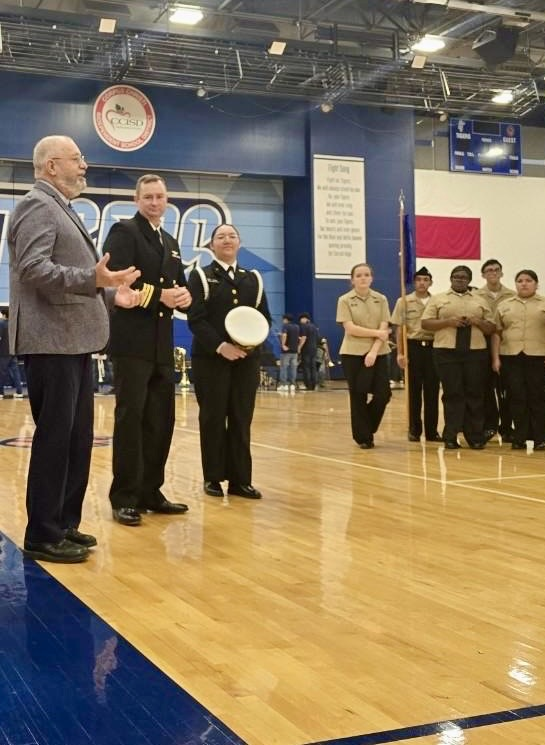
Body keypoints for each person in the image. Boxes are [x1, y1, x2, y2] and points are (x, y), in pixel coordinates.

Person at [8, 135, 141, 563]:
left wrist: (108, 294)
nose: (84, 166)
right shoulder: (36, 205)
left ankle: (65, 523)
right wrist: (94, 281)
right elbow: (33, 270)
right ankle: (42, 533)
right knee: (55, 439)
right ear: (51, 166)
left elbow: (79, 278)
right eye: (77, 159)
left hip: (73, 340)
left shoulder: (59, 207)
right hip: (51, 340)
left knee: (77, 438)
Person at [103, 174, 192, 526]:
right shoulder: (125, 231)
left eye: (160, 197)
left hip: (161, 345)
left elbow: (179, 284)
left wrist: (185, 296)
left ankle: (151, 491)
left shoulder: (170, 241)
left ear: (167, 200)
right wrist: (160, 295)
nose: (155, 202)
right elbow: (117, 277)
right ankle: (124, 496)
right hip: (132, 342)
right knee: (131, 419)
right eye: (148, 197)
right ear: (137, 199)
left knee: (161, 421)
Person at [187, 223, 271, 499]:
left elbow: (264, 320)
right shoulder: (200, 276)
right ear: (212, 245)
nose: (227, 240)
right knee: (212, 418)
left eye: (232, 236)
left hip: (246, 360)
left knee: (241, 418)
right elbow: (196, 319)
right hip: (211, 360)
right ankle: (212, 478)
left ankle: (240, 481)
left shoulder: (254, 278)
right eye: (220, 236)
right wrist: (221, 346)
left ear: (239, 243)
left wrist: (248, 344)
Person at [421, 265, 495, 449]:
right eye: (455, 276)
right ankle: (451, 436)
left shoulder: (481, 300)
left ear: (469, 280)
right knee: (453, 394)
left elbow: (492, 327)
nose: (459, 280)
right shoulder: (438, 299)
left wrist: (477, 321)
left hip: (475, 352)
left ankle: (475, 437)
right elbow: (425, 323)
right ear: (450, 278)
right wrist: (447, 322)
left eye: (463, 277)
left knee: (474, 394)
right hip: (446, 352)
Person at [336, 262, 391, 449]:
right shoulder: (344, 300)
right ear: (352, 280)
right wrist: (376, 334)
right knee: (358, 395)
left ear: (371, 278)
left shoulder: (381, 299)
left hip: (379, 353)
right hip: (353, 353)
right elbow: (350, 328)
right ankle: (363, 437)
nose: (363, 278)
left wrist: (374, 351)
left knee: (383, 394)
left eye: (366, 274)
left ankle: (366, 426)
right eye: (358, 275)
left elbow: (384, 326)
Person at [491, 270, 545, 451]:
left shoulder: (543, 304)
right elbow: (497, 334)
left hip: (538, 357)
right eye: (520, 280)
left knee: (537, 398)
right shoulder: (505, 305)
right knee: (516, 397)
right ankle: (519, 436)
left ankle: (540, 438)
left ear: (536, 284)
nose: (524, 284)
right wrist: (496, 358)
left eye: (528, 280)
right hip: (511, 357)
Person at [391, 267, 441, 442]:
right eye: (419, 279)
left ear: (431, 282)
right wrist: (400, 353)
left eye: (425, 279)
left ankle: (432, 431)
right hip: (413, 347)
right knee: (413, 392)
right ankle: (414, 429)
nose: (422, 282)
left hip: (433, 348)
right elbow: (399, 329)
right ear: (414, 282)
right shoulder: (404, 301)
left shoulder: (438, 301)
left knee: (432, 391)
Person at [476, 259, 516, 442]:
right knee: (485, 388)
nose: (493, 273)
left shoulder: (512, 295)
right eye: (489, 270)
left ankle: (507, 426)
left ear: (501, 273)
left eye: (496, 270)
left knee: (507, 388)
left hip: (507, 344)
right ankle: (490, 425)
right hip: (482, 345)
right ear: (483, 275)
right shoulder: (476, 295)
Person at [0, 310, 24, 398]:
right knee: (16, 372)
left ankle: (0, 392)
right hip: (13, 351)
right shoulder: (14, 324)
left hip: (3, 352)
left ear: (4, 315)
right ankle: (19, 392)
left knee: (1, 373)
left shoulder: (1, 324)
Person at [277, 313, 300, 392]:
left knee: (284, 367)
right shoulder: (297, 327)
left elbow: (284, 335)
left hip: (286, 351)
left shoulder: (285, 326)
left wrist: (283, 344)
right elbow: (299, 338)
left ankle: (284, 385)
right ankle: (292, 384)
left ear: (286, 319)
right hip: (295, 351)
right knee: (293, 368)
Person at [298, 312, 320, 390]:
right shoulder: (314, 327)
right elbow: (318, 338)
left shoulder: (304, 326)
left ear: (305, 318)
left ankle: (308, 384)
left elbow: (304, 337)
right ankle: (314, 384)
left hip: (306, 349)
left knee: (306, 367)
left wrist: (299, 347)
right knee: (313, 367)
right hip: (314, 349)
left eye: (301, 318)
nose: (300, 320)